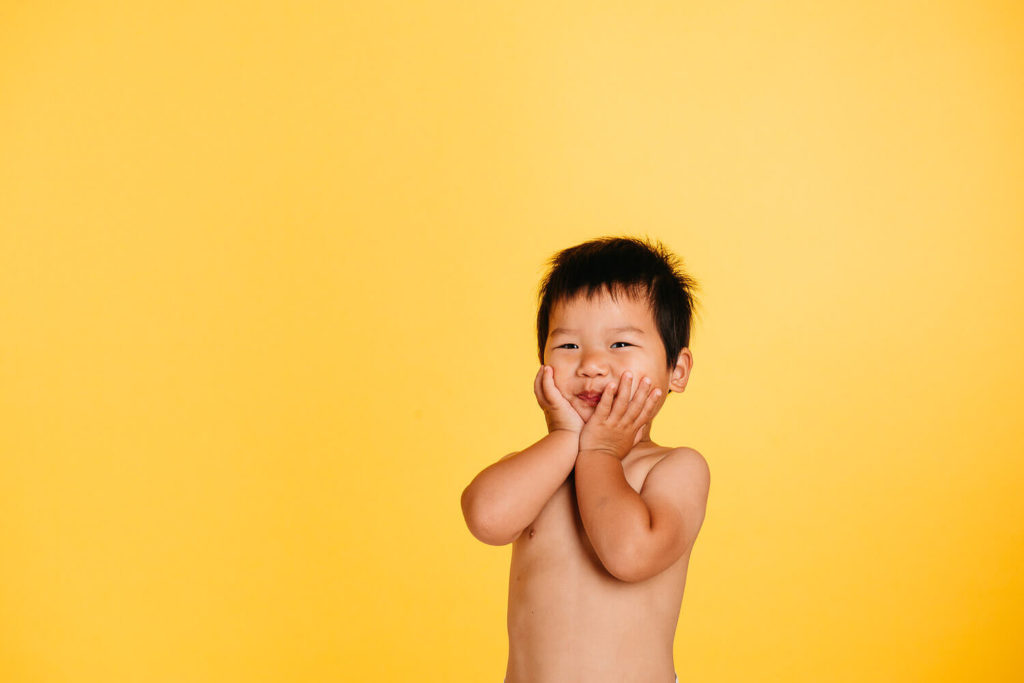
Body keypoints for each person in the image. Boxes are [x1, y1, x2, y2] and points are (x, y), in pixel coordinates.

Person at [461, 236, 711, 683]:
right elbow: (486, 519)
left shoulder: (673, 468)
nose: (592, 364)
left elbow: (630, 555)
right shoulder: (539, 469)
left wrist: (599, 451)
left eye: (620, 345)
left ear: (677, 369)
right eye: (568, 347)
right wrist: (565, 439)